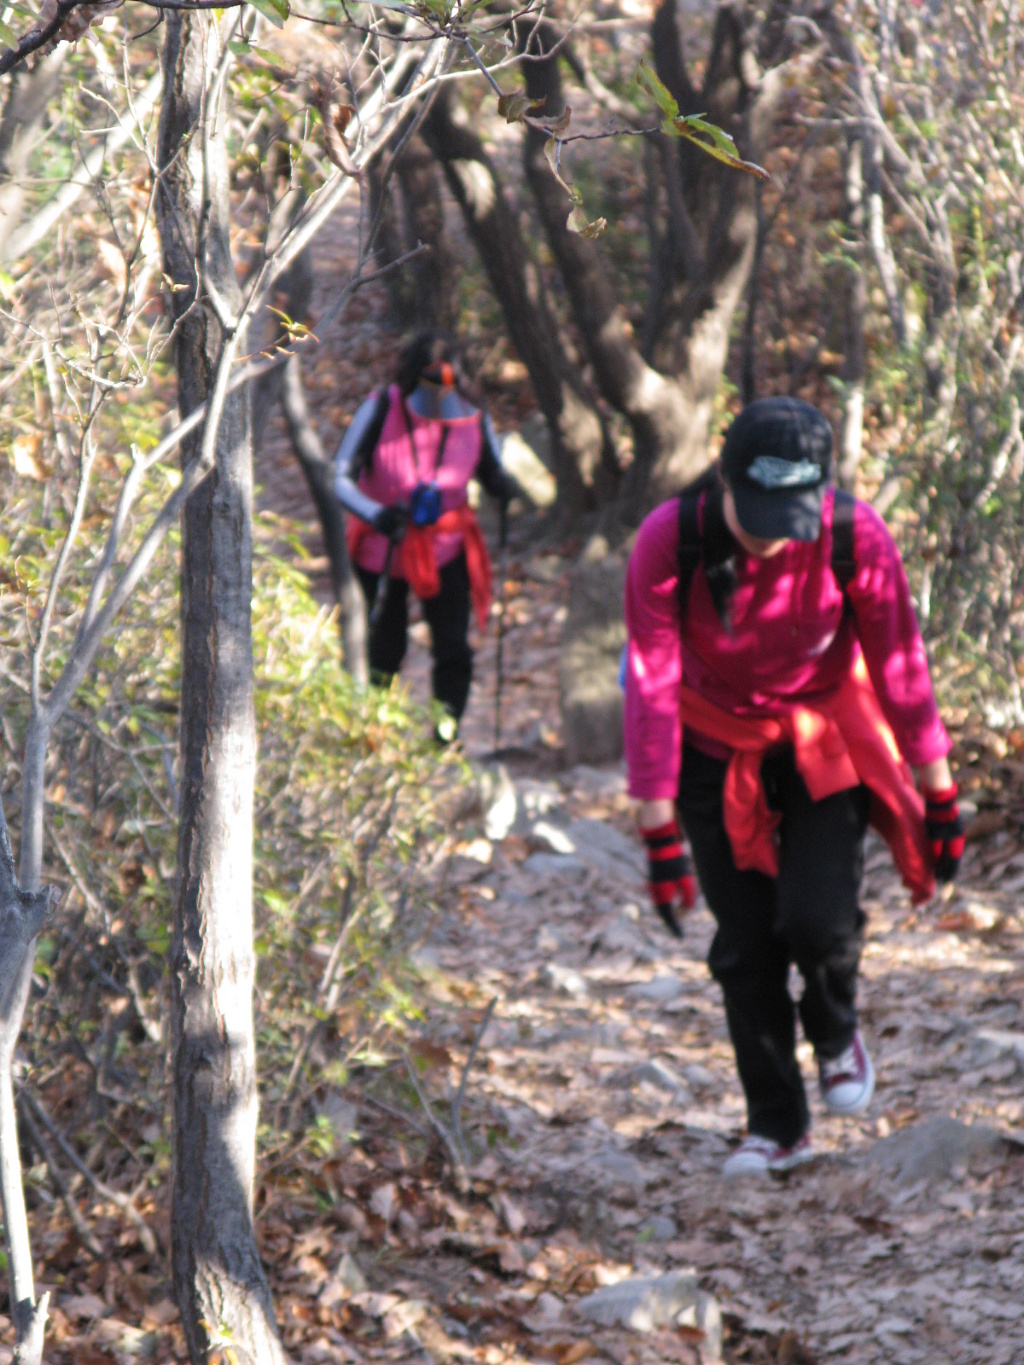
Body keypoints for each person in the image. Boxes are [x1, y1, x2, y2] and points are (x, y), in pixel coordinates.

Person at [623, 396, 965, 1178]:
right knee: (745, 947)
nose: (777, 533)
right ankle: (776, 1124)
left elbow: (900, 662)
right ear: (723, 477)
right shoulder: (669, 541)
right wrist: (656, 829)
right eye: (762, 513)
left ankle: (836, 1028)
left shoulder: (854, 535)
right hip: (714, 739)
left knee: (818, 920)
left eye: (793, 514)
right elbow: (650, 679)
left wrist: (938, 795)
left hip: (824, 730)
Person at [334, 333, 518, 742]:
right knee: (381, 648)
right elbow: (340, 476)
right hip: (382, 550)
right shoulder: (382, 407)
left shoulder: (474, 417)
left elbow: (492, 474)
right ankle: (370, 734)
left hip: (446, 550)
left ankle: (444, 738)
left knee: (454, 649)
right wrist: (377, 515)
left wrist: (505, 485)